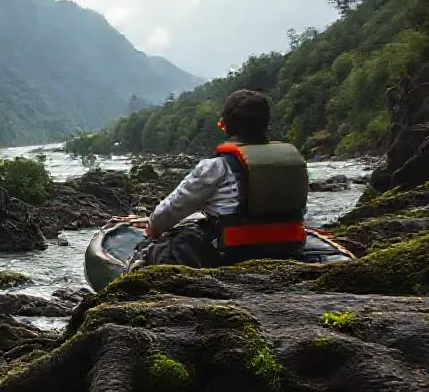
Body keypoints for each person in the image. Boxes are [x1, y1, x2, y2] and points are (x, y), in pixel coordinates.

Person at [129, 89, 310, 270]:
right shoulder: (292, 162)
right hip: (289, 248)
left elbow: (171, 210)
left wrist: (152, 229)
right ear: (265, 124)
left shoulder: (216, 167)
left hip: (233, 255)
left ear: (225, 125)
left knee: (170, 246)